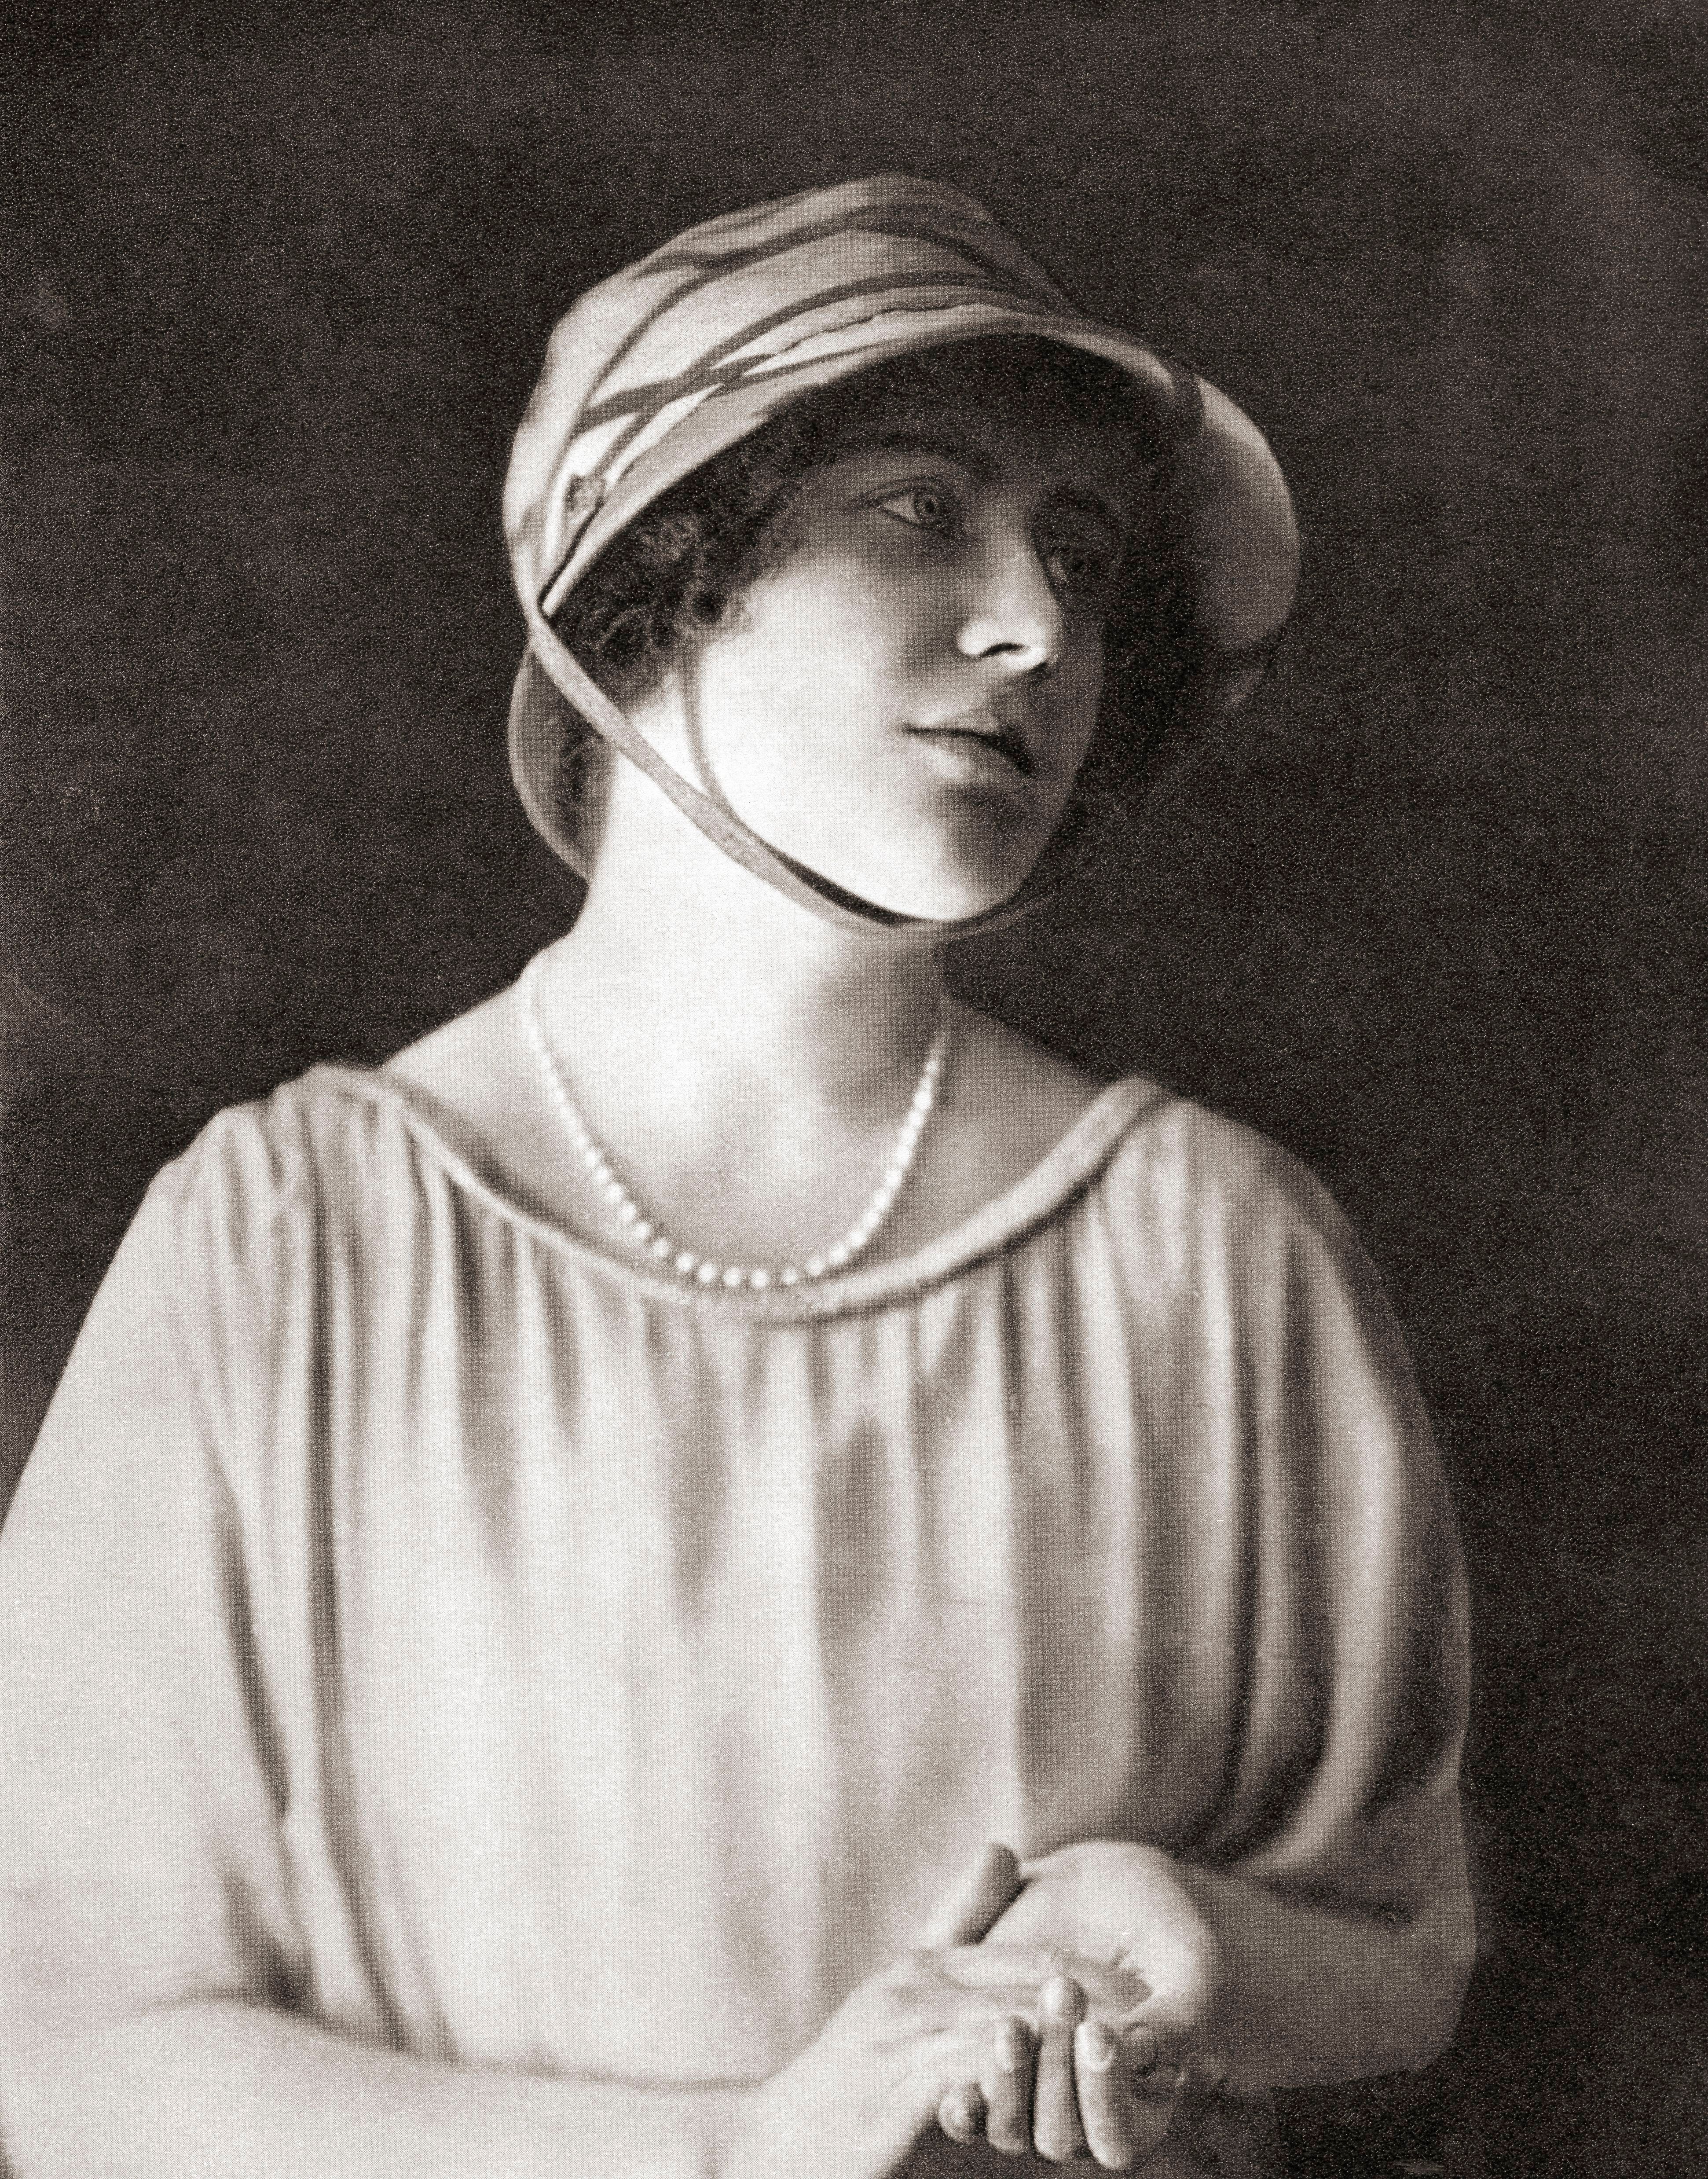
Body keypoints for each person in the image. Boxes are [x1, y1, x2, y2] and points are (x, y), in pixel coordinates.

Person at [0, 174, 1474, 2179]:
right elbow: (61, 2053)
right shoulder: (287, 1250)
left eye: (1080, 552)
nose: (1038, 626)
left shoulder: (1219, 1254)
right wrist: (742, 2143)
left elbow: (1399, 1948)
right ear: (656, 576)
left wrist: (1198, 1938)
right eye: (910, 508)